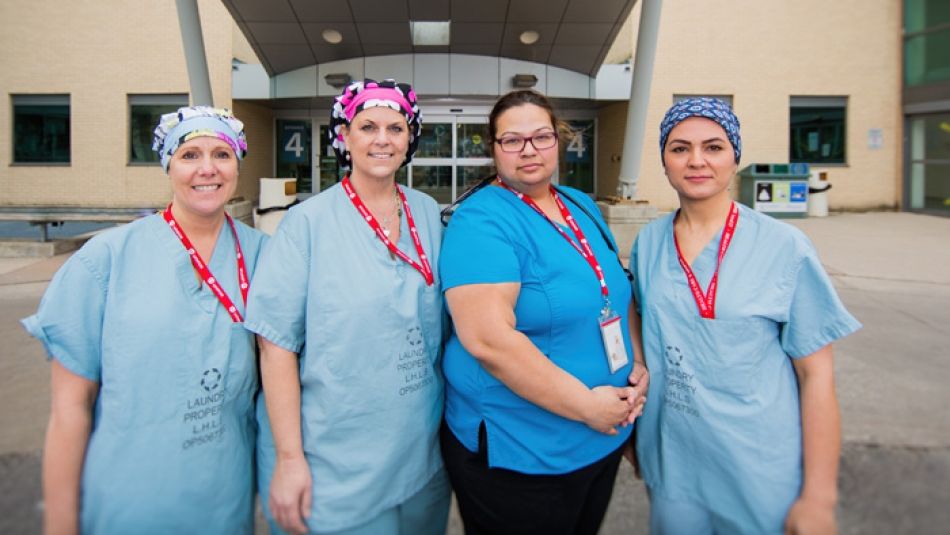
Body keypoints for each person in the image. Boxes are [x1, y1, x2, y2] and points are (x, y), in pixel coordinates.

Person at [22, 106, 266, 533]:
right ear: (167, 164)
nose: (207, 169)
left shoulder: (265, 255)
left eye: (222, 155)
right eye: (190, 155)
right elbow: (69, 408)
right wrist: (60, 525)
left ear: (238, 165)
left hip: (224, 499)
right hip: (128, 501)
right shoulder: (107, 260)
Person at [630, 97, 862, 534]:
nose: (696, 160)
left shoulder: (783, 247)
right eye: (679, 148)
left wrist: (818, 498)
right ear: (663, 160)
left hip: (759, 472)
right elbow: (643, 323)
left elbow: (817, 377)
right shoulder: (649, 243)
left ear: (736, 155)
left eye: (713, 147)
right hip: (673, 464)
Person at [438, 89, 649, 535]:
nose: (529, 149)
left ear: (560, 140)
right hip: (523, 453)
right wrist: (588, 406)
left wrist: (637, 363)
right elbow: (489, 340)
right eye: (512, 140)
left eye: (541, 136)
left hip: (600, 438)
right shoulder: (481, 221)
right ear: (493, 149)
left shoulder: (580, 204)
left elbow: (614, 290)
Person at [245, 79, 450, 535]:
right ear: (345, 136)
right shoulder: (307, 224)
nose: (382, 139)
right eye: (368, 126)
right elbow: (275, 346)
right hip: (333, 463)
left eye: (396, 128)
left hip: (420, 454)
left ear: (409, 139)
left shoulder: (427, 214)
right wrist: (290, 459)